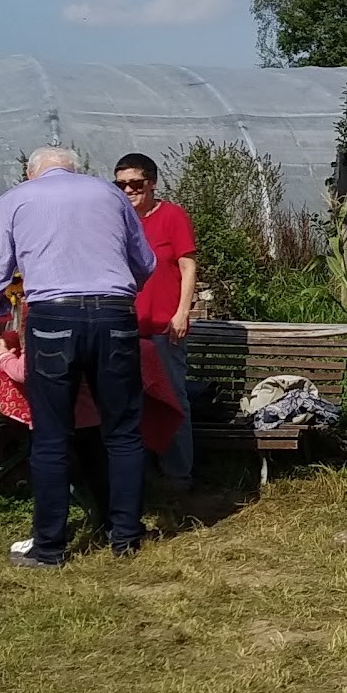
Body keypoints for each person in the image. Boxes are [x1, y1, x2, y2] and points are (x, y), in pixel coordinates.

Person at [0, 145, 155, 568]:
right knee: (122, 431)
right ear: (76, 170)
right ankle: (125, 535)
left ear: (33, 174)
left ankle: (49, 547)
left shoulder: (15, 200)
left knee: (51, 435)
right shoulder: (109, 195)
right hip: (114, 314)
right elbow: (144, 262)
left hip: (52, 316)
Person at [114, 153, 198, 486]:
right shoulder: (117, 219)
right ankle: (138, 471)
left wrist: (182, 311)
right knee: (128, 400)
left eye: (135, 183)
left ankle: (179, 472)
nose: (128, 190)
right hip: (125, 324)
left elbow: (187, 265)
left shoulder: (172, 216)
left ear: (151, 183)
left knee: (172, 397)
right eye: (120, 185)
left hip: (163, 326)